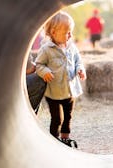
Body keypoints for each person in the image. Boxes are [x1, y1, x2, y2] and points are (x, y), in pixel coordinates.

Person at [35, 11, 86, 148]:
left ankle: (65, 138)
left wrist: (80, 69)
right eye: (67, 32)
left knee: (68, 117)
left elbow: (78, 61)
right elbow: (38, 65)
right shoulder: (46, 49)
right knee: (57, 118)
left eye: (71, 32)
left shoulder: (72, 47)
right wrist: (44, 71)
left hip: (70, 91)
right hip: (54, 93)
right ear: (53, 32)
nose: (70, 35)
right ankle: (54, 140)